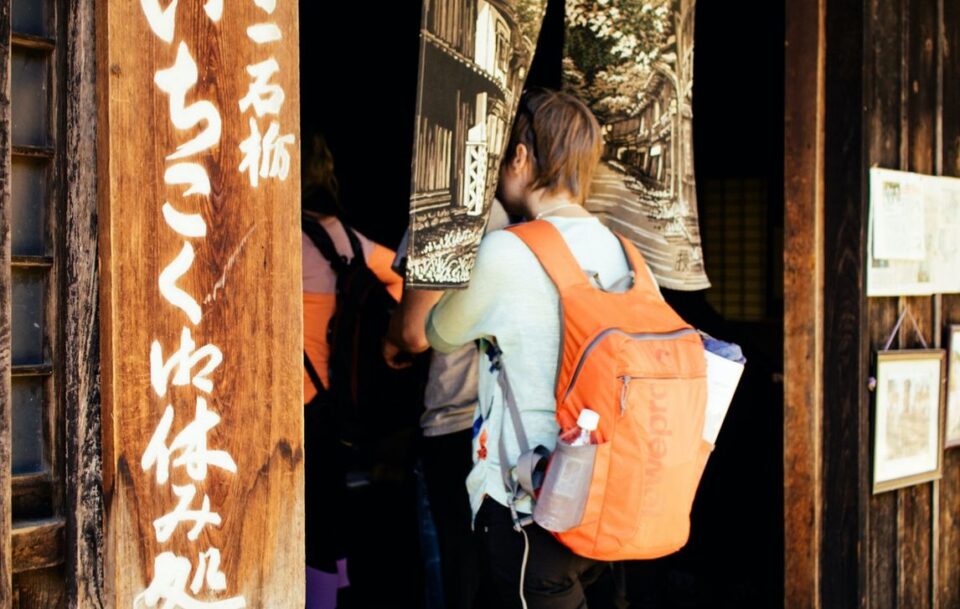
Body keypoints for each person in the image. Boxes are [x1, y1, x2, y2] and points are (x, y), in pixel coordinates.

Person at [389, 88, 639, 608]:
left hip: (531, 491)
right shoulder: (624, 251)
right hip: (603, 484)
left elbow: (432, 333)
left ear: (519, 157)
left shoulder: (507, 249)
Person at [384, 200, 509, 609]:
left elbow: (414, 332)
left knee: (455, 575)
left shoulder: (449, 202)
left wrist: (391, 336)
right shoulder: (531, 212)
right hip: (514, 424)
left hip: (455, 419)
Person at [301, 133, 403, 609]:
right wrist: (389, 341)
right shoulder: (349, 238)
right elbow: (401, 277)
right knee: (332, 508)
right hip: (340, 397)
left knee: (313, 522)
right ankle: (339, 597)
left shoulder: (284, 236)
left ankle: (321, 602)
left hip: (300, 399)